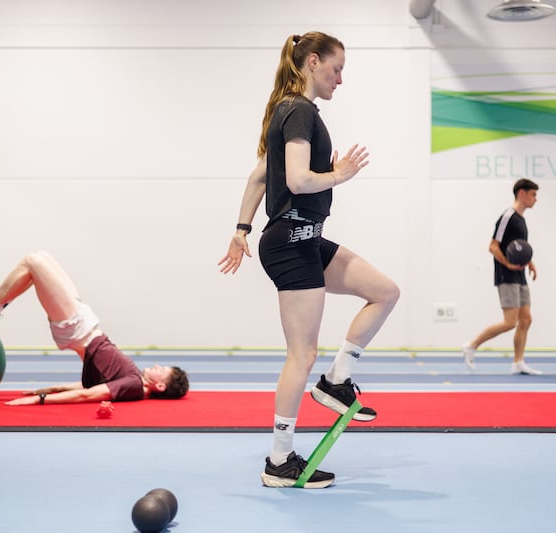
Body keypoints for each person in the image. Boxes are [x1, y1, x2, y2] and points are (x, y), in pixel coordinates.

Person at [218, 31, 400, 489]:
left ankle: (337, 380)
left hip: (306, 237)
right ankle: (279, 460)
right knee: (301, 354)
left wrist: (241, 229)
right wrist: (338, 174)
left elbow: (261, 175)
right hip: (291, 242)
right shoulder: (298, 110)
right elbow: (298, 181)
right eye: (337, 69)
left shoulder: (290, 111)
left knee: (384, 292)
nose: (340, 79)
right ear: (313, 62)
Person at [0, 251, 189, 406]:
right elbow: (89, 387)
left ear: (160, 386)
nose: (157, 365)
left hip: (77, 328)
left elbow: (88, 396)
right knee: (39, 259)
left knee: (34, 261)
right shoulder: (131, 383)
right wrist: (52, 389)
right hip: (82, 321)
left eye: (162, 370)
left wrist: (41, 400)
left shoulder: (134, 385)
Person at [462, 178, 541, 375]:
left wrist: (529, 262)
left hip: (520, 276)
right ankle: (471, 346)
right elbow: (493, 246)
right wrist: (507, 264)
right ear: (521, 193)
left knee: (526, 319)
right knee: (510, 322)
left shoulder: (522, 220)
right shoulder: (508, 217)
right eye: (533, 194)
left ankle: (518, 362)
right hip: (507, 276)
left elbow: (519, 248)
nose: (535, 199)